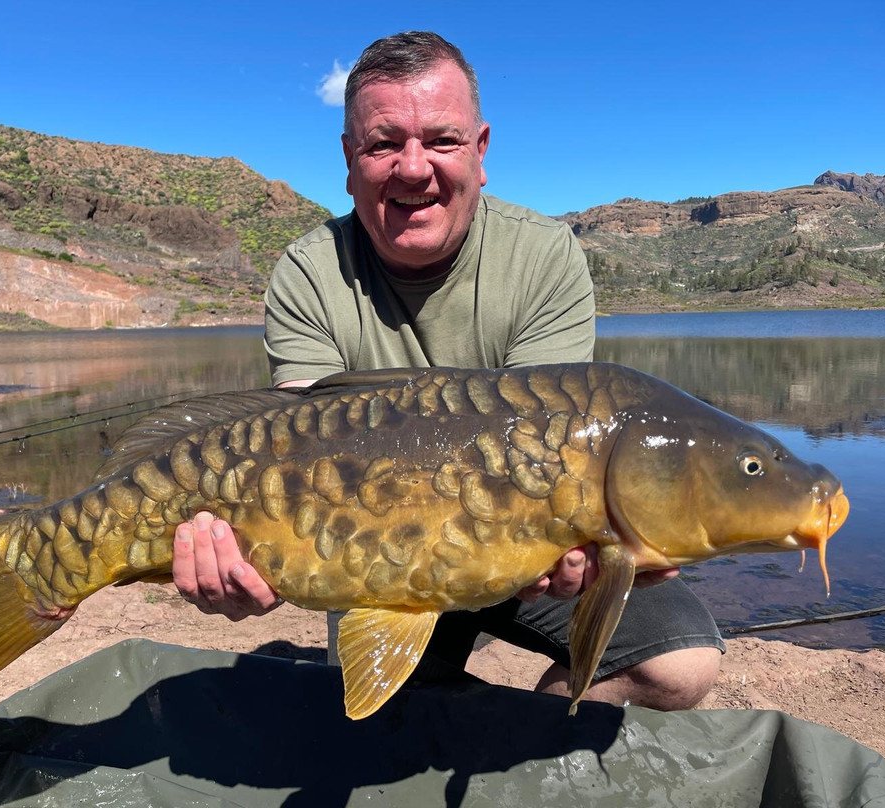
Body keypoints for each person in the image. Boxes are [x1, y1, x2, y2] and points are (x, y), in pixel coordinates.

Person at [172, 31, 723, 710]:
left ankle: (535, 730)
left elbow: (552, 458)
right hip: (377, 552)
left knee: (680, 668)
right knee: (388, 720)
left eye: (441, 140)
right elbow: (289, 461)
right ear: (349, 159)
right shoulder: (309, 272)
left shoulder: (544, 258)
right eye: (383, 144)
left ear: (481, 151)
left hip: (520, 553)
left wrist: (589, 542)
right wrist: (245, 559)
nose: (413, 168)